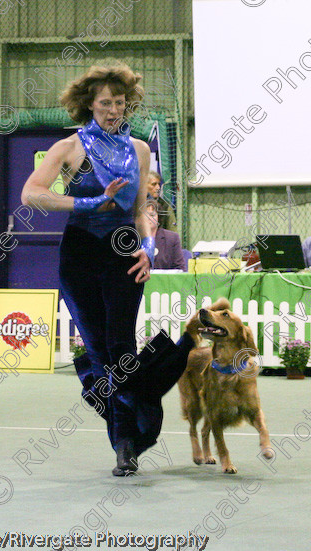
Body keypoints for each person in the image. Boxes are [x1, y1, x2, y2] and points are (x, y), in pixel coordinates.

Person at [20, 64, 195, 476]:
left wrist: (149, 248)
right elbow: (31, 194)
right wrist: (86, 203)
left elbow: (139, 212)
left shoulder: (139, 150)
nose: (113, 110)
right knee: (100, 352)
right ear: (89, 105)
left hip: (124, 254)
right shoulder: (69, 148)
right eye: (104, 103)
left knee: (121, 350)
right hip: (80, 254)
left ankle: (125, 445)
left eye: (119, 102)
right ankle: (128, 433)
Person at [145, 200, 185, 270]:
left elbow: (180, 269)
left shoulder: (172, 238)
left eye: (152, 215)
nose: (148, 218)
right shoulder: (132, 239)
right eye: (144, 215)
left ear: (158, 217)